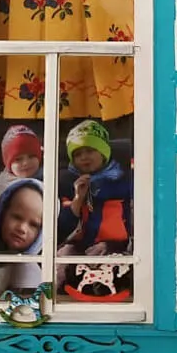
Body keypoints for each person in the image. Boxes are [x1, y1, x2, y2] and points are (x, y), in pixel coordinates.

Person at [56, 119, 133, 296]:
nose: (84, 157)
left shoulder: (124, 181)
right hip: (78, 246)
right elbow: (61, 228)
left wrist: (119, 245)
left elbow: (134, 219)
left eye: (90, 151)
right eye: (77, 154)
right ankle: (58, 296)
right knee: (64, 255)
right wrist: (78, 199)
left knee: (108, 260)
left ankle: (103, 292)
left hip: (114, 247)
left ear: (104, 153)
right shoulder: (66, 182)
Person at [0, 124, 43, 241]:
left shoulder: (46, 180)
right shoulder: (2, 188)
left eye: (31, 156)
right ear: (8, 164)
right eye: (18, 159)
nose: (26, 163)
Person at [0, 177, 44, 291]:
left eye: (34, 225)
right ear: (1, 214)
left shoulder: (33, 278)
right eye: (17, 217)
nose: (22, 228)